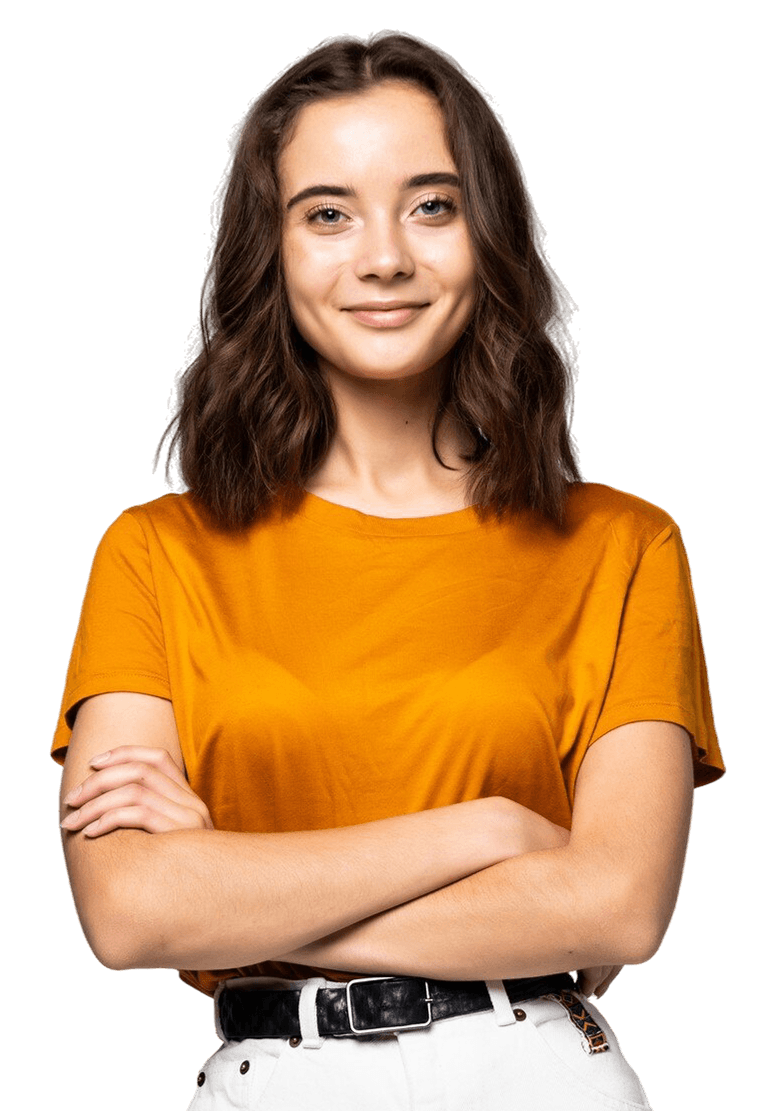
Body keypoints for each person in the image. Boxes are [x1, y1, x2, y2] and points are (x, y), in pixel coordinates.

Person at [52, 29, 725, 1112]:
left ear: (487, 235)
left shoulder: (624, 546)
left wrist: (236, 883)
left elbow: (621, 908)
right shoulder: (156, 552)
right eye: (327, 212)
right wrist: (491, 830)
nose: (383, 258)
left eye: (432, 205)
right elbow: (130, 913)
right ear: (267, 250)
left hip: (536, 1073)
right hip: (272, 1080)